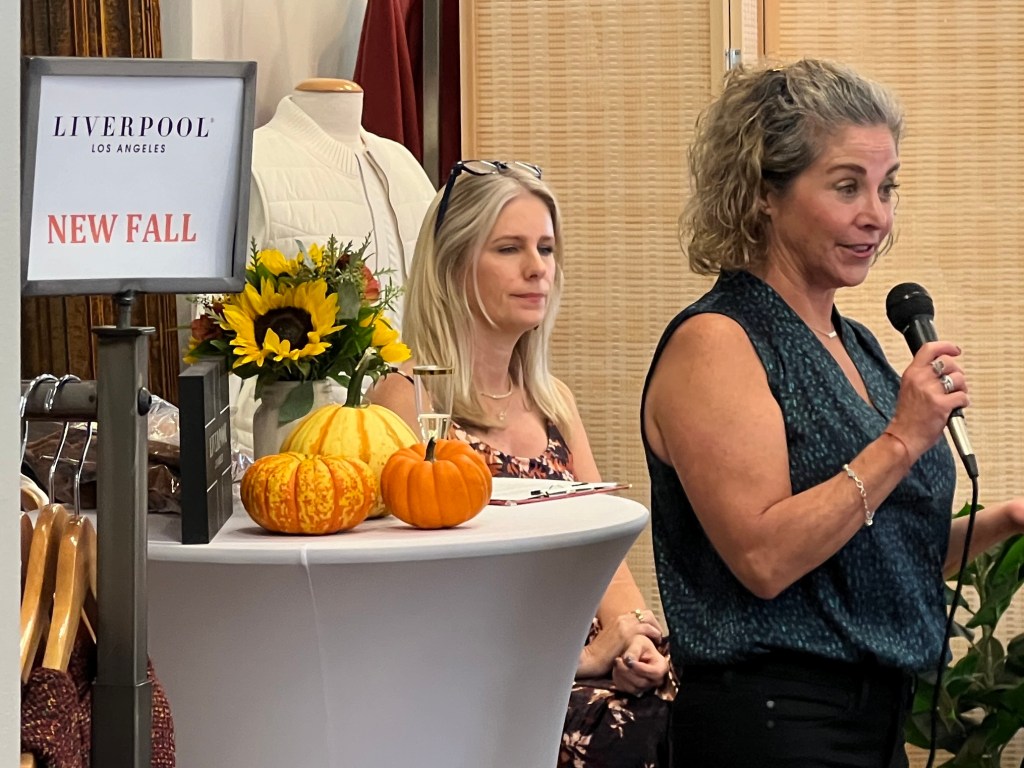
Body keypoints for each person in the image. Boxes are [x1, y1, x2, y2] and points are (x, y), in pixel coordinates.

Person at [640, 58, 1024, 767]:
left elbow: (874, 556)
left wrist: (1008, 519)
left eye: (887, 186)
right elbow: (764, 558)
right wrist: (901, 440)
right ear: (763, 192)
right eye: (847, 186)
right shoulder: (719, 340)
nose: (876, 214)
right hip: (774, 725)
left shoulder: (859, 344)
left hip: (875, 722)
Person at [370, 160, 675, 767]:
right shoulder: (408, 400)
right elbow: (419, 600)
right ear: (452, 265)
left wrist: (636, 636)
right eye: (509, 249)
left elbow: (605, 555)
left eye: (546, 248)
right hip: (483, 677)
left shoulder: (553, 400)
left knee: (709, 698)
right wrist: (580, 660)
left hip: (583, 662)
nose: (538, 268)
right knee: (637, 731)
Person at [229, 77, 437, 455]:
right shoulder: (255, 162)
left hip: (412, 451)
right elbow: (218, 338)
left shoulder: (404, 166)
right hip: (295, 454)